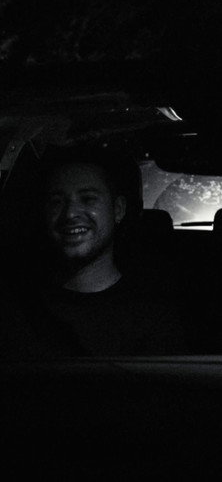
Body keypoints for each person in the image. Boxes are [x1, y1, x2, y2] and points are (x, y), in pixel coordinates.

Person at [0, 144, 188, 357]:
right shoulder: (17, 308)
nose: (70, 213)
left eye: (88, 199)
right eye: (56, 202)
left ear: (118, 210)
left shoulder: (151, 316)